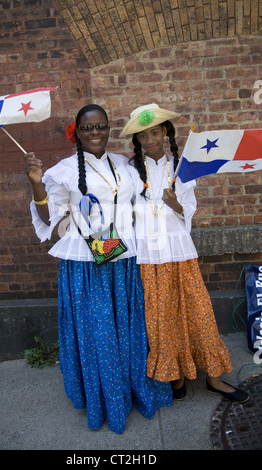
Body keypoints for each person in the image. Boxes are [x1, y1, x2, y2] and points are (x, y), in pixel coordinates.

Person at [24, 104, 172, 434]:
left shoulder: (123, 164)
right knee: (99, 336)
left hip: (124, 262)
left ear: (108, 129)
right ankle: (104, 401)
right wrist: (37, 185)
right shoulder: (62, 171)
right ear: (76, 132)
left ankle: (131, 391)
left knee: (128, 331)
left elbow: (143, 203)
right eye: (88, 128)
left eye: (101, 126)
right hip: (87, 268)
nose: (96, 133)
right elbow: (51, 220)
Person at [120, 103, 249, 403]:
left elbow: (188, 212)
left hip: (181, 254)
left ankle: (214, 379)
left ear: (165, 131)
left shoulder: (181, 167)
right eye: (143, 135)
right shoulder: (128, 172)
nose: (150, 139)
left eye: (155, 131)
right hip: (150, 259)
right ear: (137, 139)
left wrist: (175, 204)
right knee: (162, 320)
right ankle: (176, 377)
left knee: (199, 312)